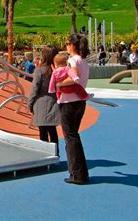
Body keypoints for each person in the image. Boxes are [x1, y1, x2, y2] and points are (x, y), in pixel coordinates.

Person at [56, 34, 91, 185]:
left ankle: (77, 174)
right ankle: (80, 172)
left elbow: (73, 76)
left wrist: (58, 84)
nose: (66, 46)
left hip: (69, 102)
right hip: (80, 102)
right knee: (74, 136)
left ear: (73, 45)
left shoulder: (72, 60)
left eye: (67, 43)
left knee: (70, 137)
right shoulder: (84, 61)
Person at [27, 46, 60, 155]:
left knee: (43, 132)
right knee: (53, 131)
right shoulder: (56, 71)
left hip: (41, 104)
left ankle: (45, 155)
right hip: (54, 102)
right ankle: (56, 154)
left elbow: (34, 89)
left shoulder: (40, 71)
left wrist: (30, 103)